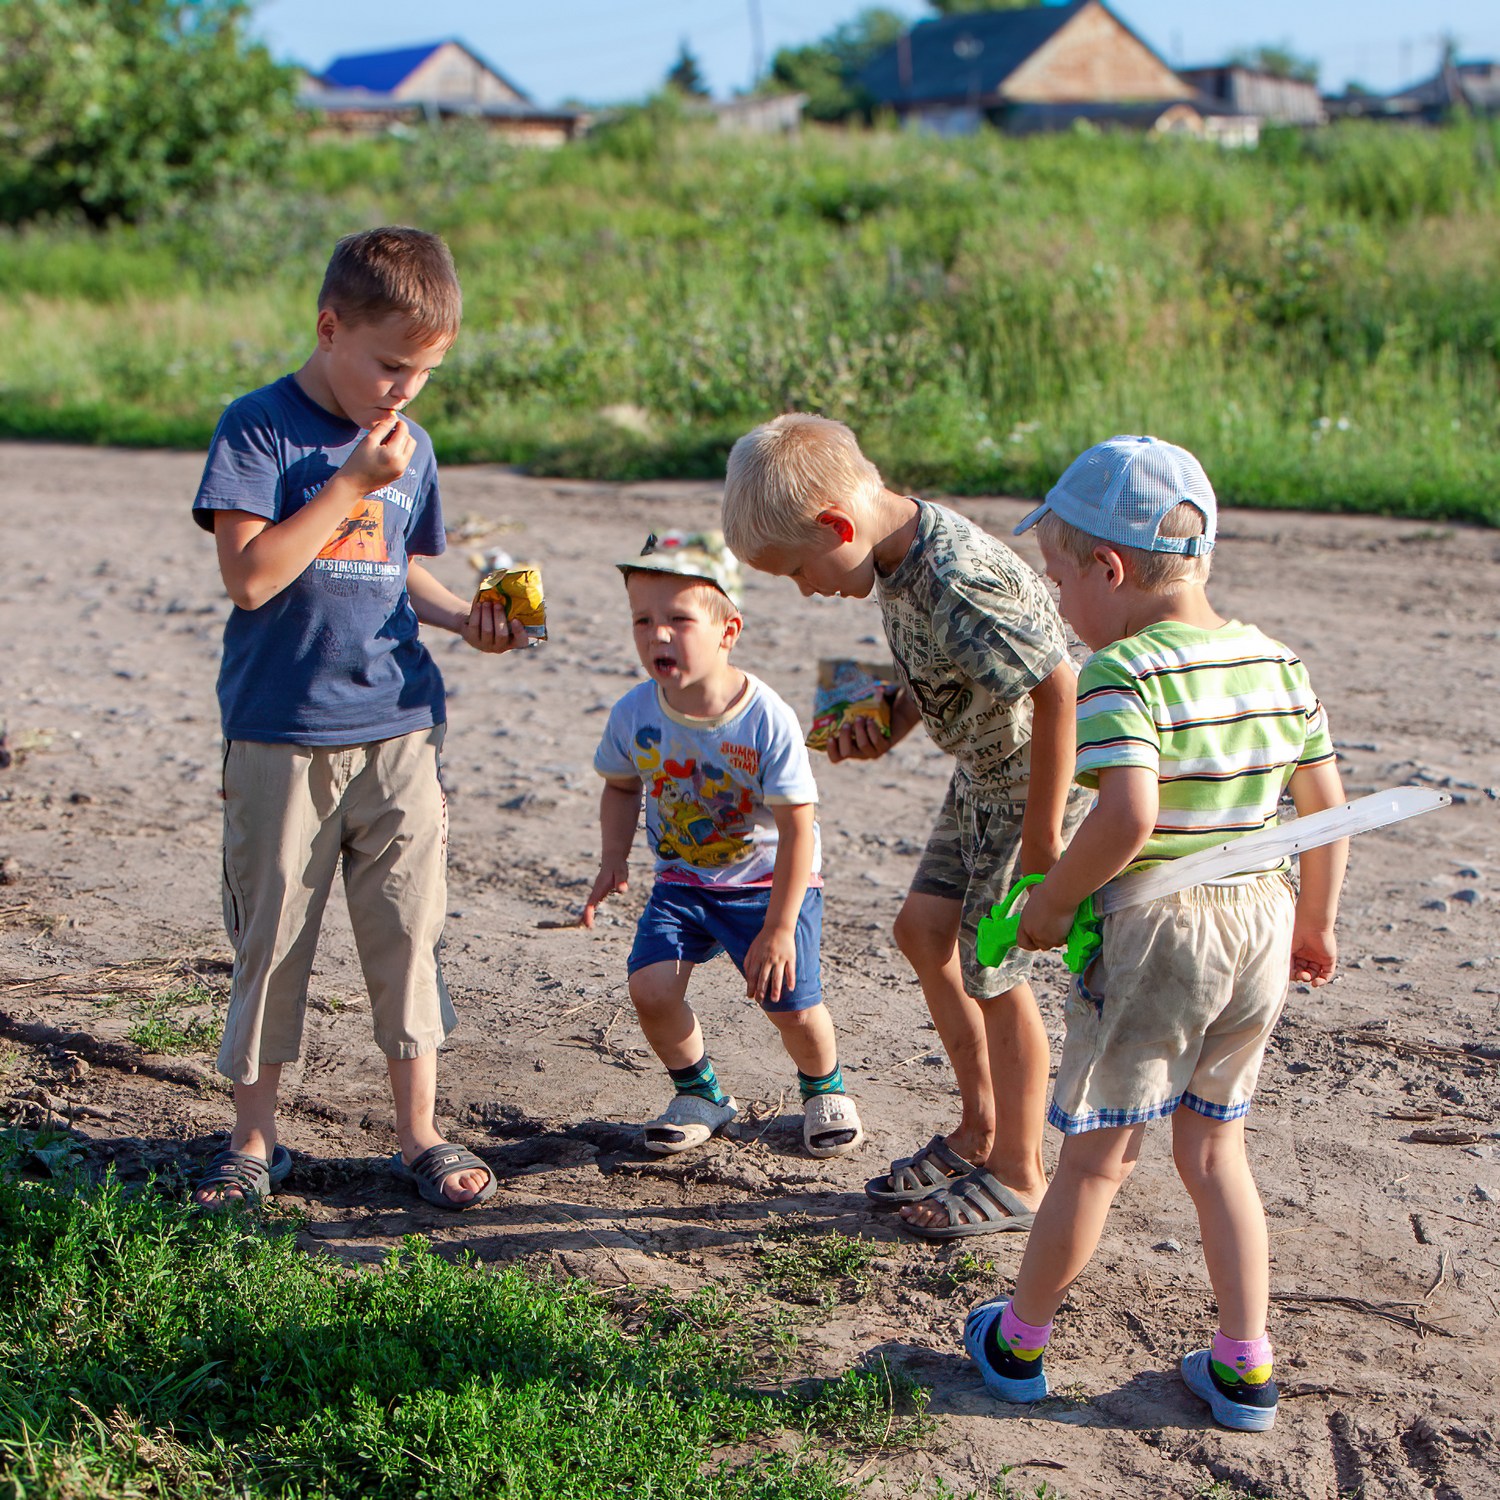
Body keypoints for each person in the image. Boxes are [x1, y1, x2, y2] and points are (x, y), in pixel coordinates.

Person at [961, 434, 1347, 1432]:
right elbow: (1325, 806)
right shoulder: (1278, 661)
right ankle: (1245, 1366)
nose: (1058, 604)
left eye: (1057, 578)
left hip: (1159, 934)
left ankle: (1019, 1342)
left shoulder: (1124, 672)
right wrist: (1315, 923)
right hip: (1260, 921)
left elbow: (1126, 818)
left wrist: (1048, 906)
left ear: (1109, 569)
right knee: (1218, 1152)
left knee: (1099, 1156)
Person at [189, 226, 530, 1211]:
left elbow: (398, 564)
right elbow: (251, 578)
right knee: (273, 942)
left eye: (423, 374)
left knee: (408, 936)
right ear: (329, 326)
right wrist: (345, 483)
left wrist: (467, 615)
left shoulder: (408, 446)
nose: (403, 392)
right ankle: (254, 1140)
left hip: (399, 727)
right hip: (280, 734)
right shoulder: (258, 429)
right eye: (389, 366)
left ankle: (420, 1133)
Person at [723, 413, 1087, 1239]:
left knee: (991, 966)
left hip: (1030, 784)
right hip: (982, 775)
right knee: (924, 934)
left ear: (836, 527)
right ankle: (980, 1126)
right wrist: (888, 714)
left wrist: (1043, 846)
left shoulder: (954, 574)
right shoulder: (893, 554)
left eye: (799, 571)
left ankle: (1023, 1174)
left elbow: (1059, 686)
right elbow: (946, 665)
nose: (806, 589)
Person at [583, 531, 863, 1159]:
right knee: (651, 990)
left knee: (789, 1003)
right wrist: (612, 860)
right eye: (643, 621)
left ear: (728, 630)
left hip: (770, 882)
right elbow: (622, 788)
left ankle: (824, 1087)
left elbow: (797, 826)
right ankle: (700, 1092)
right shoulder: (634, 713)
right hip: (684, 882)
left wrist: (782, 926)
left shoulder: (765, 718)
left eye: (678, 620)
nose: (658, 635)